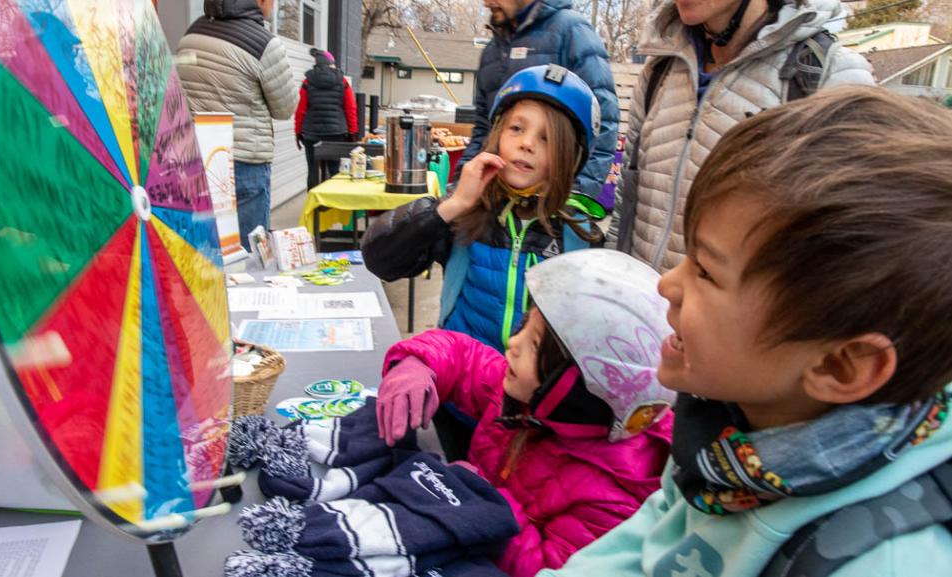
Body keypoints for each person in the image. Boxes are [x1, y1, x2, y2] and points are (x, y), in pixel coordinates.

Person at [540, 86, 952, 577]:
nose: (668, 283)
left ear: (838, 366)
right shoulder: (731, 433)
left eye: (707, 273)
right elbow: (659, 533)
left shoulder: (882, 563)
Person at [377, 248, 676, 577]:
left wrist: (482, 502)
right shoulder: (526, 401)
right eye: (523, 326)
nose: (511, 342)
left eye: (533, 344)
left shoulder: (611, 498)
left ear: (580, 393)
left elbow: (545, 567)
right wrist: (418, 363)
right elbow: (465, 359)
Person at [604, 0, 873, 271]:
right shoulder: (659, 69)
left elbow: (844, 256)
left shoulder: (829, 74)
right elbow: (626, 200)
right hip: (643, 300)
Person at [363, 64, 601, 354]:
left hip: (526, 393)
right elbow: (379, 259)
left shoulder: (578, 234)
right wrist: (452, 206)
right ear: (498, 135)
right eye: (517, 128)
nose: (526, 143)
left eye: (546, 138)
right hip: (461, 385)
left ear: (570, 158)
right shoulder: (468, 210)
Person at [459, 0, 619, 217]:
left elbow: (602, 126)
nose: (486, 3)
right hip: (493, 209)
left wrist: (571, 200)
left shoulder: (572, 32)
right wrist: (461, 189)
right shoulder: (492, 50)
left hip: (549, 215)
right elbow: (481, 130)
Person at [176, 0, 297, 250]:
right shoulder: (264, 44)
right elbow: (285, 108)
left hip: (195, 160)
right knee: (248, 255)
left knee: (201, 250)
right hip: (245, 163)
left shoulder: (191, 35)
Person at [294, 48, 358, 192]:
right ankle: (333, 208)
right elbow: (350, 108)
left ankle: (314, 208)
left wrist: (298, 132)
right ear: (331, 64)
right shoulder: (342, 81)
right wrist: (353, 131)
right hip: (336, 134)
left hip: (311, 134)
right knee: (335, 170)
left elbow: (301, 109)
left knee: (313, 171)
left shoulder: (307, 81)